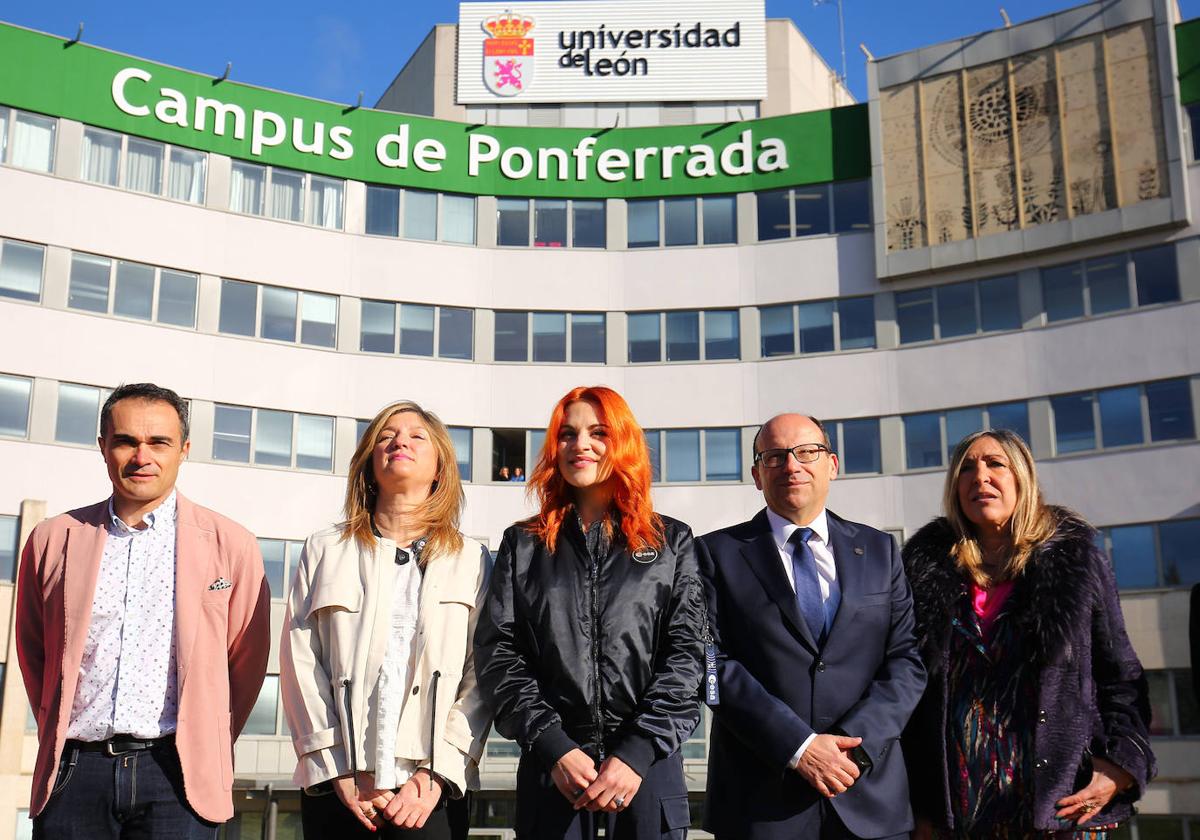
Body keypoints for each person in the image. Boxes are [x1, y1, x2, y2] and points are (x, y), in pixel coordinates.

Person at [15, 383, 271, 839]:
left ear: (184, 449)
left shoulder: (231, 544)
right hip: (75, 771)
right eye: (126, 441)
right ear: (103, 447)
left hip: (178, 773)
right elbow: (35, 652)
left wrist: (206, 741)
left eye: (159, 442)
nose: (142, 456)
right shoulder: (53, 539)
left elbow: (245, 664)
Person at [474, 385, 704, 840]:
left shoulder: (671, 543)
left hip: (647, 770)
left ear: (623, 442)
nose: (580, 445)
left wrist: (637, 751)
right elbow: (499, 654)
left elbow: (689, 654)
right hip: (554, 772)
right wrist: (554, 745)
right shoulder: (523, 545)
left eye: (598, 432)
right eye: (567, 434)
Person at [902, 429, 1155, 838]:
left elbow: (1121, 677)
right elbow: (910, 696)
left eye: (994, 464)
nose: (979, 477)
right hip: (956, 815)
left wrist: (1120, 767)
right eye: (965, 468)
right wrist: (918, 808)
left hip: (1060, 809)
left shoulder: (1077, 563)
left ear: (1022, 477)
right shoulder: (923, 570)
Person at [698, 413, 926, 840]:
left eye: (807, 452)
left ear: (832, 465)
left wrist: (850, 747)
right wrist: (798, 747)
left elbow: (906, 661)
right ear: (756, 474)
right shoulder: (714, 554)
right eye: (775, 456)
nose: (792, 465)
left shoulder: (880, 550)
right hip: (762, 805)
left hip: (868, 794)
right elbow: (709, 665)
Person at [280, 400, 491, 840]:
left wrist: (438, 771)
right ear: (368, 465)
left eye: (417, 436)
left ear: (440, 468)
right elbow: (300, 659)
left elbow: (483, 672)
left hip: (429, 791)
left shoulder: (471, 559)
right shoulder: (325, 549)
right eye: (386, 435)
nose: (399, 441)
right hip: (341, 786)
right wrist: (335, 764)